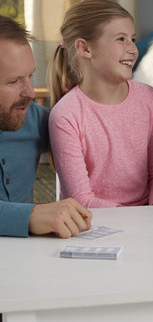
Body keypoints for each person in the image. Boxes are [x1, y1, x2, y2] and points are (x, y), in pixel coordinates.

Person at [47, 0, 153, 208]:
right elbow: (81, 199)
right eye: (121, 39)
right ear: (85, 48)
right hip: (92, 223)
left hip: (147, 218)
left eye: (133, 39)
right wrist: (134, 221)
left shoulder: (148, 98)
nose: (133, 49)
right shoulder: (66, 114)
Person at [0, 15, 92, 237]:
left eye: (30, 76)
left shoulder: (37, 119)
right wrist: (30, 216)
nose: (30, 93)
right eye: (14, 81)